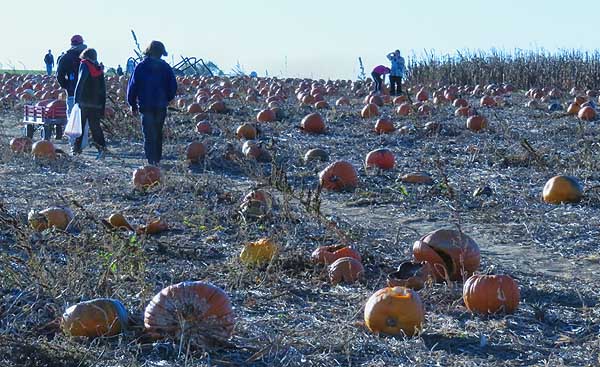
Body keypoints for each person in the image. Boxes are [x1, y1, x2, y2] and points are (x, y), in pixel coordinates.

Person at [127, 41, 177, 166]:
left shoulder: (141, 66)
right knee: (158, 132)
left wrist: (132, 103)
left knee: (148, 133)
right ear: (161, 53)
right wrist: (167, 98)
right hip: (160, 105)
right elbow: (173, 86)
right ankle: (157, 159)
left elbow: (133, 86)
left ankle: (151, 160)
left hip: (146, 105)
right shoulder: (165, 67)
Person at [73, 48, 107, 159]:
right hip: (96, 103)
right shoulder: (99, 69)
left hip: (84, 102)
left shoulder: (84, 65)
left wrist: (76, 100)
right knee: (95, 128)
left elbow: (80, 82)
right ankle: (102, 149)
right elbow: (103, 89)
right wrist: (102, 105)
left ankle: (76, 150)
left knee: (80, 127)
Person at [56, 35, 87, 116]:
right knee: (85, 122)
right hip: (87, 95)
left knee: (72, 120)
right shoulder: (89, 56)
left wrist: (66, 85)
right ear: (82, 43)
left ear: (71, 44)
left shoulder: (65, 57)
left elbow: (59, 75)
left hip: (72, 93)